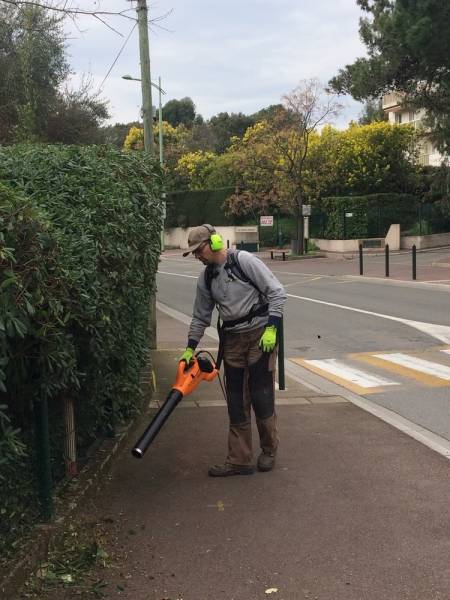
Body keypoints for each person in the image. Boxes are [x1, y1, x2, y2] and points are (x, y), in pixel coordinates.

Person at [180, 224, 286, 477]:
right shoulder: (206, 278)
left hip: (260, 336)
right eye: (194, 253)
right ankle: (240, 460)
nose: (197, 256)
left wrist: (272, 329)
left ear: (215, 243)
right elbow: (200, 316)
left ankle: (269, 449)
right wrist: (190, 348)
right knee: (236, 400)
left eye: (199, 250)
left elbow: (277, 293)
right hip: (232, 341)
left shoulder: (244, 261)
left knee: (261, 395)